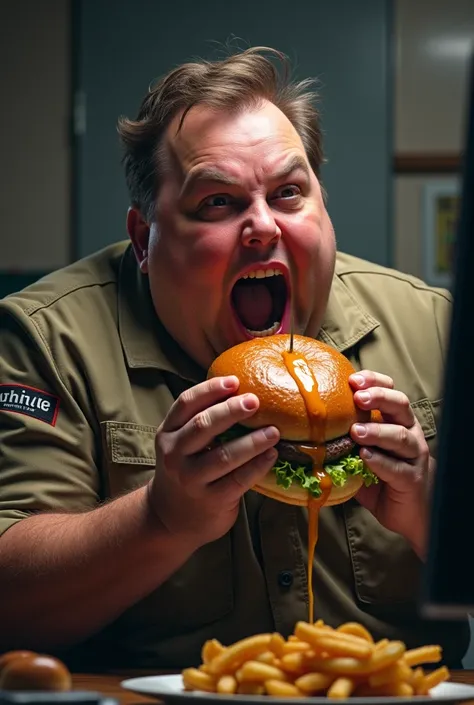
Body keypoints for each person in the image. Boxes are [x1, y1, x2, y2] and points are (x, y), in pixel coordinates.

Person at [0, 47, 469, 671]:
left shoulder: (433, 324)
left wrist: (436, 515)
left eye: (289, 193)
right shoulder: (45, 340)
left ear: (325, 210)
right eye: (218, 202)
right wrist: (160, 521)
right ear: (145, 240)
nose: (262, 228)